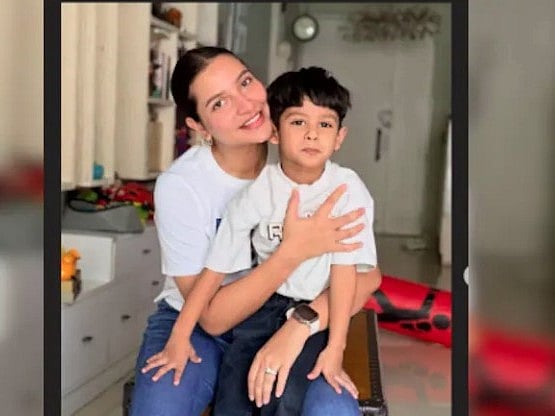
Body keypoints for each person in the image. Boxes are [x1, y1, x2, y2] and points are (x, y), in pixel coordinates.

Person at [131, 47, 382, 416]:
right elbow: (212, 317)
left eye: (245, 82)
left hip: (296, 311)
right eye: (219, 103)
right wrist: (293, 251)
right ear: (199, 126)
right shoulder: (183, 186)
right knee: (162, 407)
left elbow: (367, 275)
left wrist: (300, 325)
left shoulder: (306, 153)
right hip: (201, 320)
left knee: (330, 407)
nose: (246, 105)